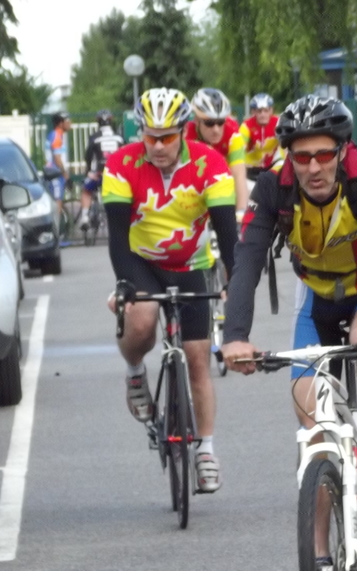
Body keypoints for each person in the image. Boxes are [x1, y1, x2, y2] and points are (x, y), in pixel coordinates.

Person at [221, 95, 357, 518]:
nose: (313, 167)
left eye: (324, 155)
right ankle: (319, 552)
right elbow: (247, 260)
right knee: (312, 432)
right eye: (302, 157)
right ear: (289, 157)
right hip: (315, 296)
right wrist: (235, 336)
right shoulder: (273, 187)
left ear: (342, 151)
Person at [103, 88, 240, 493]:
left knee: (198, 358)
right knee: (142, 317)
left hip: (191, 265)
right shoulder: (121, 164)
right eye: (150, 136)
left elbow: (227, 236)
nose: (158, 146)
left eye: (166, 137)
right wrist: (125, 284)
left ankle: (206, 450)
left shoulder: (210, 165)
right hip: (140, 262)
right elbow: (117, 237)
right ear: (140, 133)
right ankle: (134, 373)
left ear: (183, 131)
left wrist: (236, 285)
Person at [186, 88, 250, 218]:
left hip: (223, 184)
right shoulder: (186, 136)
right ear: (196, 120)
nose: (216, 129)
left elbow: (239, 175)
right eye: (209, 123)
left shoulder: (232, 134)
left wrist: (241, 212)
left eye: (221, 122)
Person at [79, 109, 124, 231]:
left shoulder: (94, 137)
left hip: (99, 174)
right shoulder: (119, 137)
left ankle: (84, 217)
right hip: (115, 175)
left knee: (86, 191)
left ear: (98, 122)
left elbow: (88, 156)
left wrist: (88, 171)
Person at [239, 92, 283, 176]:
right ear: (253, 112)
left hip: (272, 165)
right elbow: (240, 147)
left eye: (266, 110)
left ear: (271, 110)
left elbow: (287, 144)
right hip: (250, 166)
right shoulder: (246, 126)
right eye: (259, 111)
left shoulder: (278, 123)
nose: (263, 114)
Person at [44, 112, 72, 219]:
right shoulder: (56, 136)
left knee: (57, 201)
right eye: (67, 121)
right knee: (57, 202)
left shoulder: (56, 135)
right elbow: (57, 159)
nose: (70, 123)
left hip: (54, 173)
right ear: (60, 123)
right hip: (55, 174)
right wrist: (66, 175)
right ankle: (56, 226)